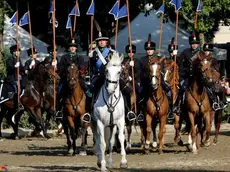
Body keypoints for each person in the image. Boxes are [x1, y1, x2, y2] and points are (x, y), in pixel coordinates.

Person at [56, 38, 90, 118]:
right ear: (68, 48)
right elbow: (60, 68)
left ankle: (88, 109)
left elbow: (82, 67)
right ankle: (59, 110)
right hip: (66, 78)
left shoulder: (80, 57)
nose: (72, 48)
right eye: (71, 46)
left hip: (77, 77)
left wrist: (80, 70)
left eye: (74, 47)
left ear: (76, 48)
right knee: (60, 91)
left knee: (86, 88)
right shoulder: (64, 57)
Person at [174, 31, 200, 113]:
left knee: (209, 89)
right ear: (190, 44)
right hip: (187, 77)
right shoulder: (185, 52)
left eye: (196, 43)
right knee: (182, 90)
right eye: (192, 43)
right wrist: (175, 56)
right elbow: (180, 63)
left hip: (199, 77)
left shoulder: (201, 53)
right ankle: (177, 106)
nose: (194, 45)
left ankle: (215, 102)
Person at [198, 43, 228, 110]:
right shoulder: (201, 57)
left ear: (210, 51)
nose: (206, 52)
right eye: (205, 51)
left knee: (217, 87)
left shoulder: (214, 58)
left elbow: (221, 68)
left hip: (215, 75)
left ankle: (222, 101)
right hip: (204, 76)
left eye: (208, 51)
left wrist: (222, 76)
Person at [88, 30, 115, 98]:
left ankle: (127, 107)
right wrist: (91, 76)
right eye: (100, 40)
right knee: (90, 91)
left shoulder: (111, 53)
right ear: (97, 42)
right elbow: (91, 67)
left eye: (103, 40)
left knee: (123, 88)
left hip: (109, 76)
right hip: (97, 76)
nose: (101, 42)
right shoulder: (93, 53)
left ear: (106, 42)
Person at [120, 44, 141, 121]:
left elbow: (139, 72)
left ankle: (139, 112)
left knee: (139, 91)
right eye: (129, 52)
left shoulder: (137, 61)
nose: (130, 54)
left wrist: (132, 75)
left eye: (132, 52)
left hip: (133, 80)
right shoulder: (123, 61)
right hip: (124, 80)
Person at [5, 44, 25, 110]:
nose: (19, 52)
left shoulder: (18, 59)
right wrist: (15, 66)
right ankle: (18, 103)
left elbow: (21, 68)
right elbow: (9, 69)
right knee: (17, 87)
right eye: (18, 51)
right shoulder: (10, 58)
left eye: (19, 51)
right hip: (12, 77)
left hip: (19, 77)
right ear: (14, 52)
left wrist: (26, 69)